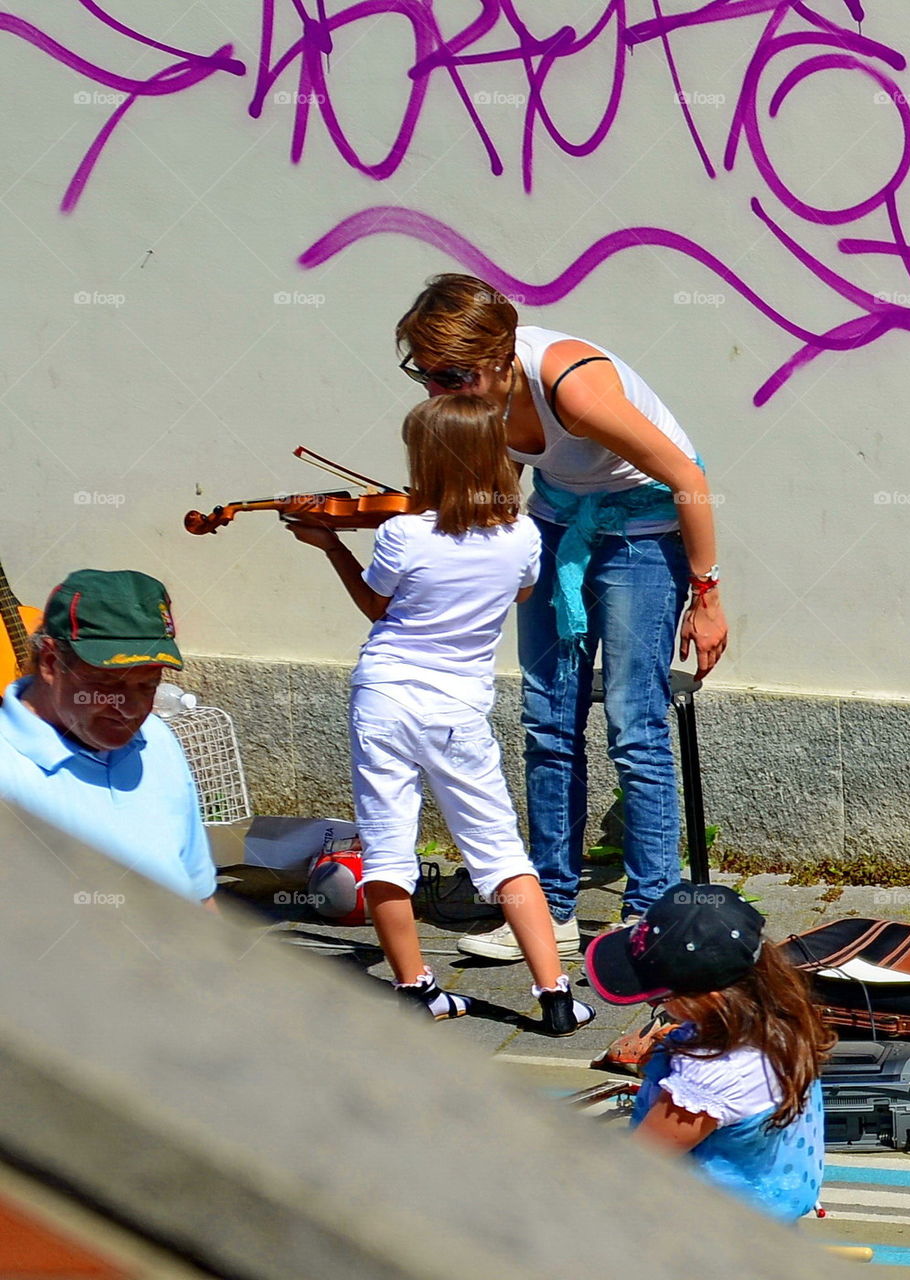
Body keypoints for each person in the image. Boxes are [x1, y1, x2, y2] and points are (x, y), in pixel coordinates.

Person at [394, 274, 729, 960]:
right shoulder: (475, 397)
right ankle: (552, 910)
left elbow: (688, 476)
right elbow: (506, 481)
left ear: (500, 355)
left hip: (644, 534)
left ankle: (649, 920)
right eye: (425, 375)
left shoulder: (570, 386)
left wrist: (708, 596)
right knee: (547, 724)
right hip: (558, 527)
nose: (437, 390)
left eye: (452, 374)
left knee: (636, 727)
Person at [286, 394, 596, 1035]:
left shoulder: (402, 533)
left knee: (388, 847)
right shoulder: (521, 536)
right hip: (458, 710)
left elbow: (379, 608)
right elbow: (525, 589)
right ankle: (556, 996)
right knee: (502, 852)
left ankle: (416, 988)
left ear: (428, 461)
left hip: (385, 698)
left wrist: (330, 547)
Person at [585, 883, 835, 1221]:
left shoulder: (714, 1073)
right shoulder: (779, 1016)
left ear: (714, 1000)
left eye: (660, 999)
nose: (653, 1005)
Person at [0, 569, 217, 908]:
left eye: (148, 685)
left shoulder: (156, 739)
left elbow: (201, 898)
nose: (131, 710)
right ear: (50, 662)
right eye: (108, 684)